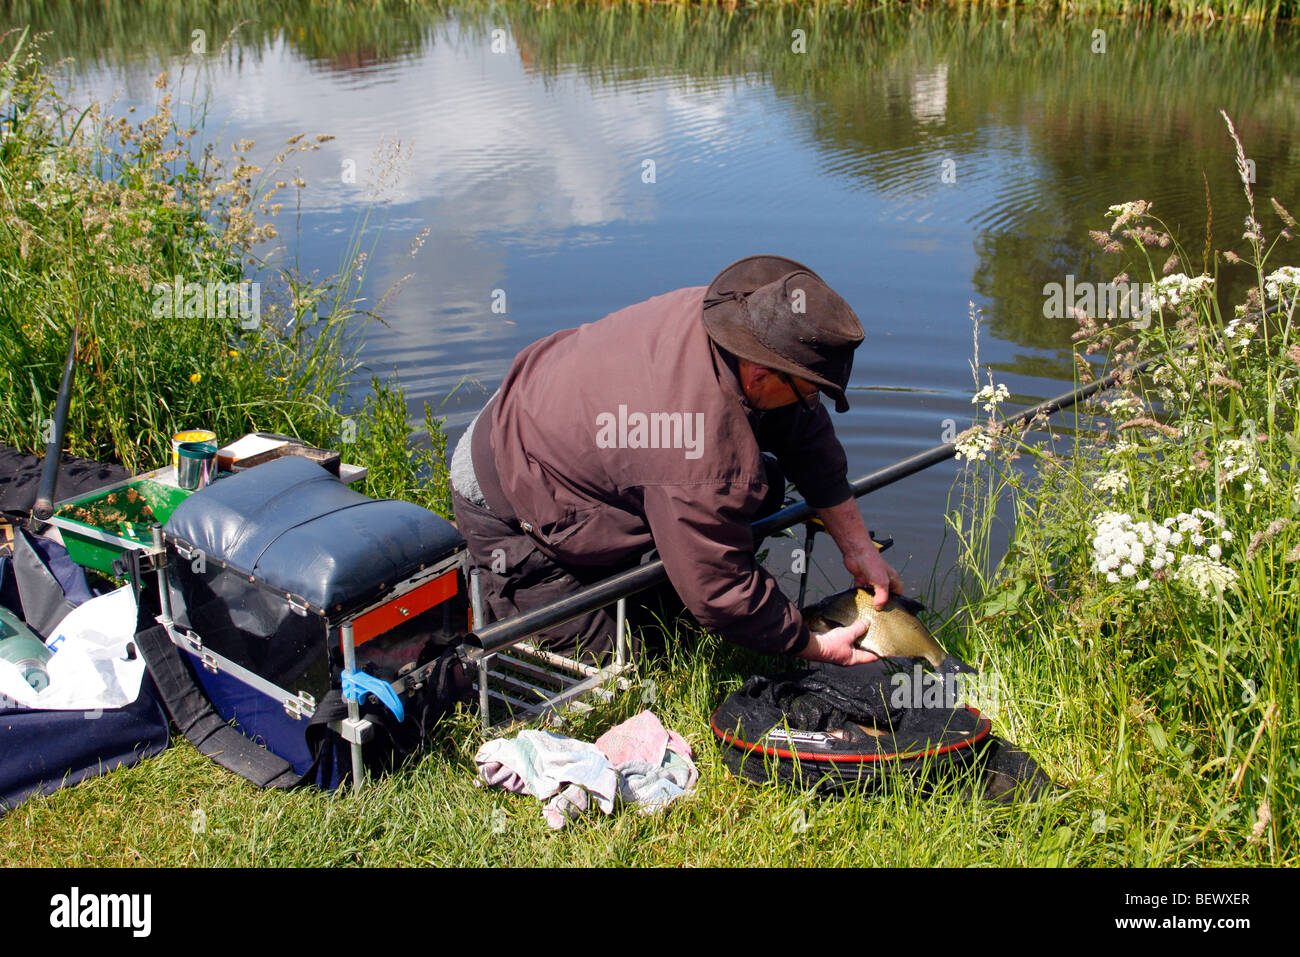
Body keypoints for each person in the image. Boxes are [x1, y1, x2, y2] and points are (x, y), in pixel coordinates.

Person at [449, 255, 901, 666]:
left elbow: (808, 439)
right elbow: (719, 588)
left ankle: (646, 567)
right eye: (809, 392)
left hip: (572, 429)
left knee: (759, 488)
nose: (812, 403)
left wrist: (858, 549)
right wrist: (813, 645)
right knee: (613, 671)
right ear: (762, 374)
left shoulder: (736, 324)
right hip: (511, 492)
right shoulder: (694, 448)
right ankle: (507, 590)